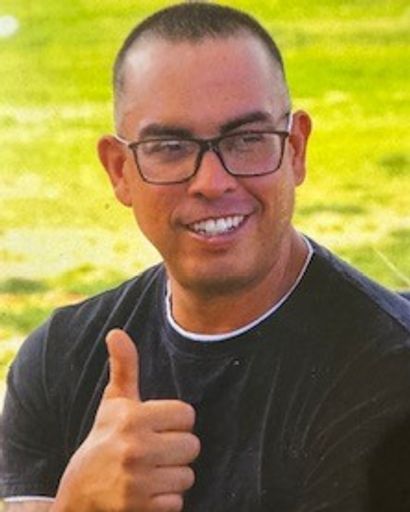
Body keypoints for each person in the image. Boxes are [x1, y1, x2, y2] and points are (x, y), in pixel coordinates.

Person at [1, 2, 410, 511]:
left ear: (296, 150)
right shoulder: (59, 358)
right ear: (120, 171)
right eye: (171, 147)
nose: (212, 182)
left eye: (246, 140)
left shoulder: (388, 373)